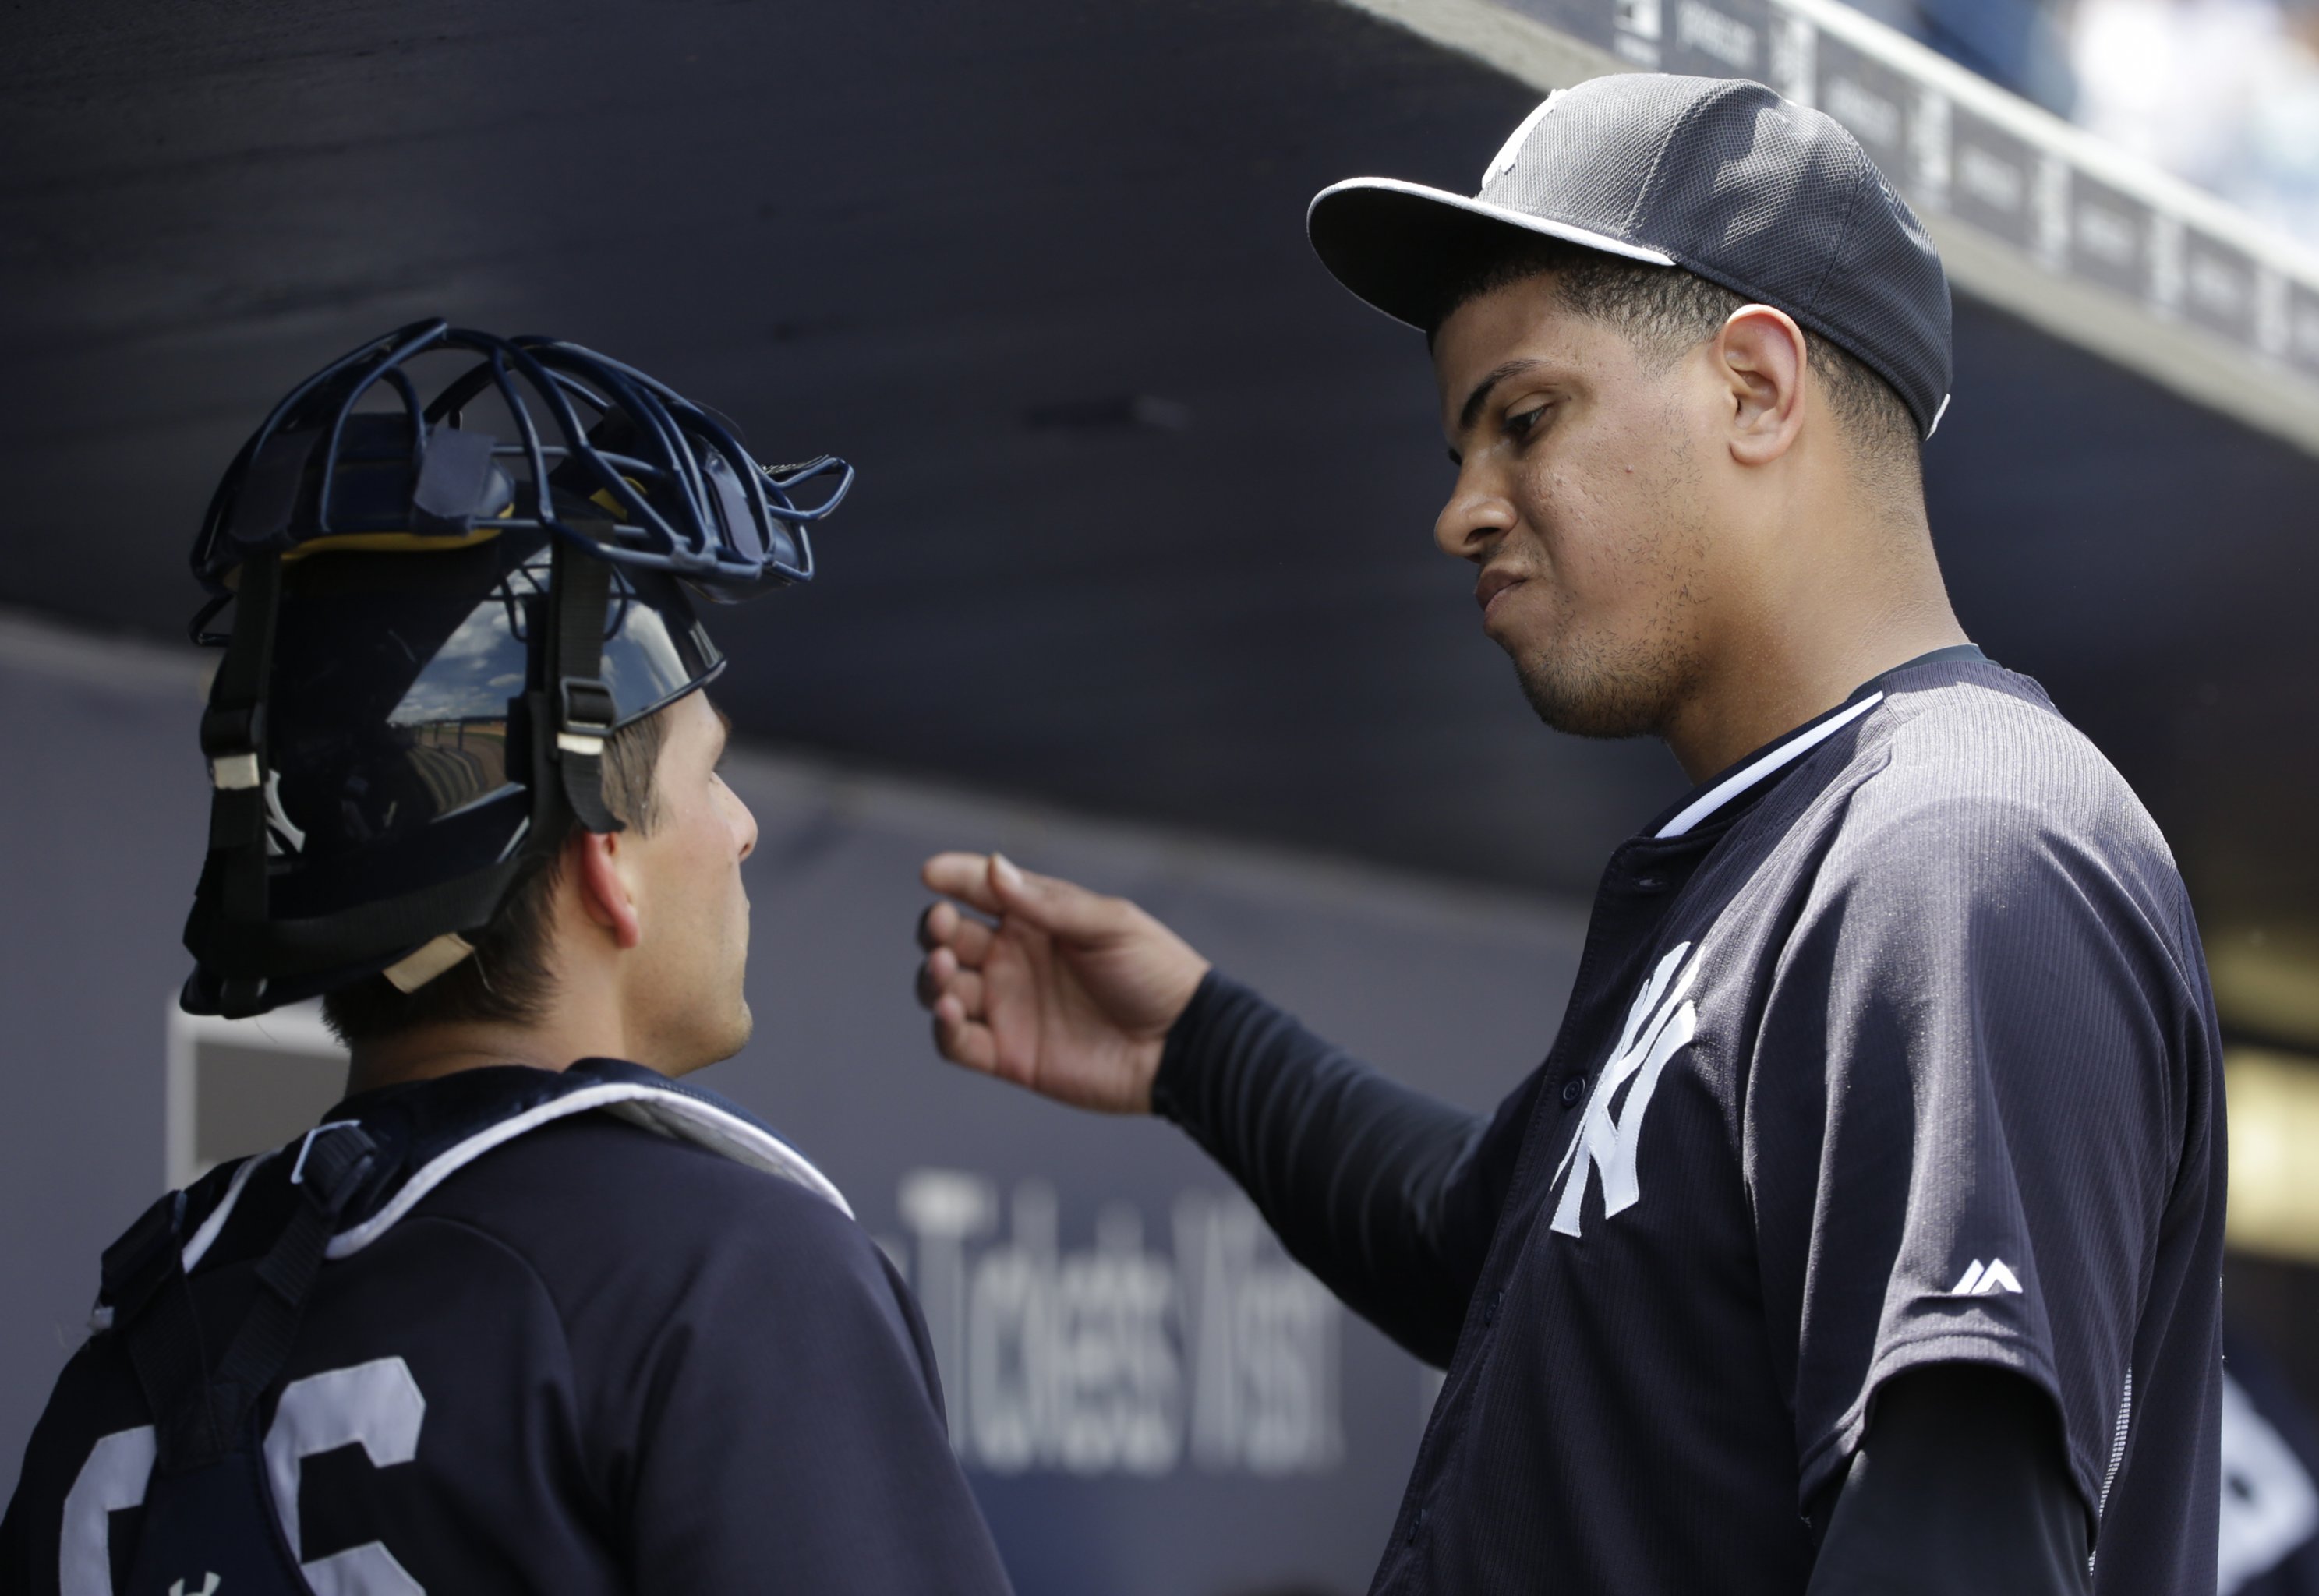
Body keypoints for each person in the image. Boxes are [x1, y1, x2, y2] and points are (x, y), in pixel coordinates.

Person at [914, 75, 2223, 1594]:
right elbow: (1505, 1252)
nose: (1462, 512)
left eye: (1523, 420)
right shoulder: (1792, 845)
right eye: (1460, 449)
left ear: (1755, 385)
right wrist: (1199, 1048)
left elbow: (1956, 1548)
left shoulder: (1959, 846)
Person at [2, 321, 1014, 1595]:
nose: (744, 826)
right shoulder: (717, 1271)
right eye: (709, 773)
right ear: (604, 860)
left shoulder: (145, 1327)